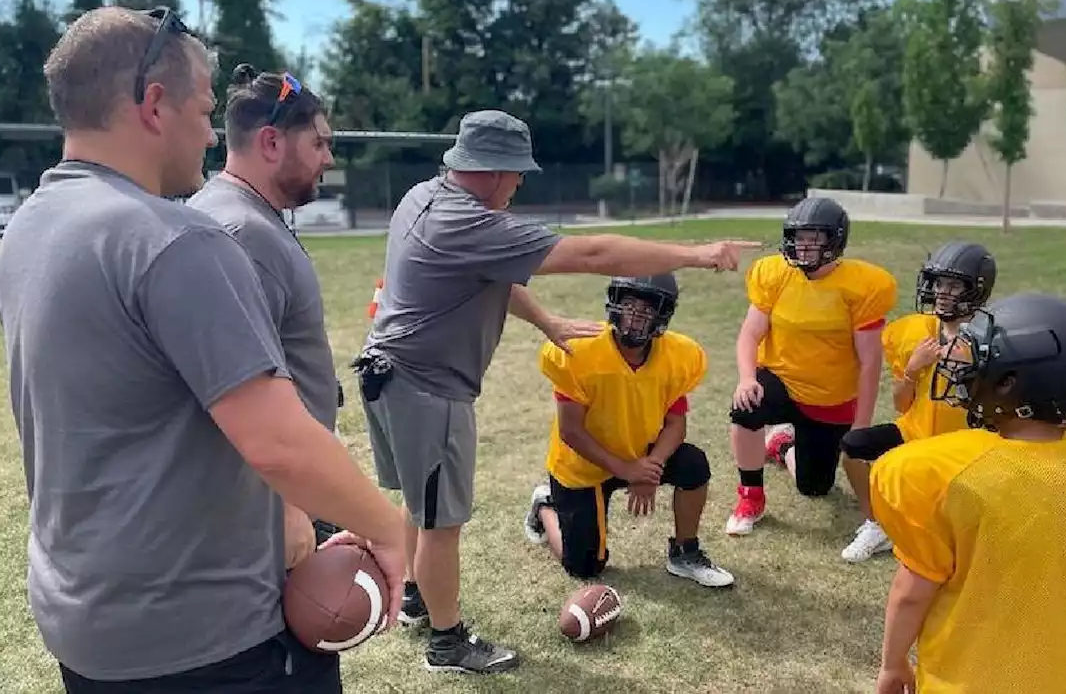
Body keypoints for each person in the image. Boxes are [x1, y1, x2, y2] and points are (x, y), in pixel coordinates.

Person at [0, 6, 406, 693]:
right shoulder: (173, 240)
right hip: (206, 638)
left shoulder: (30, 226)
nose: (211, 134)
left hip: (86, 621)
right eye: (206, 108)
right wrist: (393, 531)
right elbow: (279, 444)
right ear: (155, 105)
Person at [356, 108, 757, 674]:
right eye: (518, 174)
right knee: (442, 521)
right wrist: (696, 254)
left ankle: (419, 596)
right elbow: (595, 256)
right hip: (426, 389)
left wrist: (546, 322)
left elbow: (489, 272)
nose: (519, 185)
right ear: (495, 171)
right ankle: (446, 643)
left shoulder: (422, 196)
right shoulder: (470, 222)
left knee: (421, 503)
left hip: (387, 373)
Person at [869, 293, 1066, 694]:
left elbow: (911, 594)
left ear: (1008, 383)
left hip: (972, 680)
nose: (962, 371)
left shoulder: (936, 471)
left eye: (977, 363)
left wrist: (893, 664)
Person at [187, 63, 345, 567]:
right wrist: (287, 504)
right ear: (272, 143)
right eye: (319, 144)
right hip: (272, 497)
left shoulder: (243, 214)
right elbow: (233, 392)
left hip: (287, 478)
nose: (329, 158)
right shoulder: (240, 233)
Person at [522, 274, 734, 588]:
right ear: (615, 303)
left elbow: (676, 423)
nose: (635, 315)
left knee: (693, 463)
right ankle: (545, 508)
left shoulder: (676, 356)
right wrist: (628, 470)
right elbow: (571, 431)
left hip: (639, 452)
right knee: (585, 567)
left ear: (662, 316)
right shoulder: (580, 350)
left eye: (646, 310)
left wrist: (651, 468)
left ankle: (684, 552)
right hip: (583, 463)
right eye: (629, 305)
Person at [725, 197, 897, 537]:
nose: (804, 246)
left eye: (814, 238)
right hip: (781, 379)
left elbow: (870, 362)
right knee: (746, 407)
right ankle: (751, 495)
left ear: (835, 240)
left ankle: (782, 446)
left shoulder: (862, 286)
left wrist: (860, 424)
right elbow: (750, 332)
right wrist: (746, 378)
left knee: (815, 487)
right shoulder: (774, 273)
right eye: (799, 237)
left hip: (830, 397)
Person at [837, 241, 996, 563]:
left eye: (953, 285)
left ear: (976, 289)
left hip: (965, 444)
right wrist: (912, 369)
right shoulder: (915, 332)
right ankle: (877, 522)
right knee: (852, 447)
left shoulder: (991, 337)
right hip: (916, 429)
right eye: (939, 284)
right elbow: (901, 405)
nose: (942, 293)